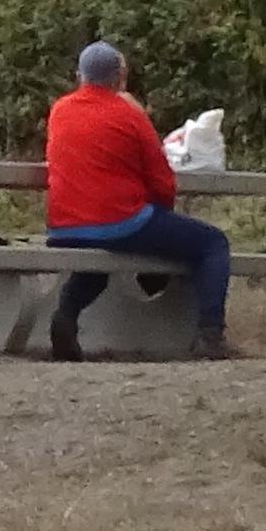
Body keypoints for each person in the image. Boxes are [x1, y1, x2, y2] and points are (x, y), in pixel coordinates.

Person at [41, 39, 234, 360]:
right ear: (121, 78)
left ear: (80, 75)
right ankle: (210, 334)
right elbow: (163, 182)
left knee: (98, 260)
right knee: (213, 243)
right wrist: (160, 212)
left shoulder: (59, 111)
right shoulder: (130, 116)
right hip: (121, 223)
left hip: (64, 228)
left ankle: (66, 316)